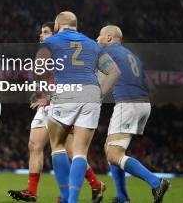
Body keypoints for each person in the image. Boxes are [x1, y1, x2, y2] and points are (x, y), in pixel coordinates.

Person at [9, 22, 105, 202]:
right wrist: (39, 94)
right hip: (46, 106)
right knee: (34, 145)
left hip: (63, 104)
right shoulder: (46, 51)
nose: (41, 35)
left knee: (70, 151)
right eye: (40, 32)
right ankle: (31, 190)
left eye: (45, 32)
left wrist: (49, 96)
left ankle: (93, 185)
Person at [36, 12, 121, 203]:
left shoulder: (52, 41)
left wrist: (43, 93)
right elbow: (114, 71)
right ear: (75, 25)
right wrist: (100, 94)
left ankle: (66, 199)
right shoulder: (93, 43)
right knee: (80, 152)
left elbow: (39, 66)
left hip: (65, 92)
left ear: (57, 25)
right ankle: (73, 200)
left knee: (57, 147)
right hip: (90, 94)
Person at [97, 25, 170, 203]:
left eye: (99, 36)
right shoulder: (133, 56)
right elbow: (152, 88)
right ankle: (122, 197)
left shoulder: (108, 53)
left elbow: (97, 80)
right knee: (111, 149)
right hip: (143, 104)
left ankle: (156, 182)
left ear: (109, 38)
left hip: (128, 104)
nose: (97, 39)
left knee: (114, 154)